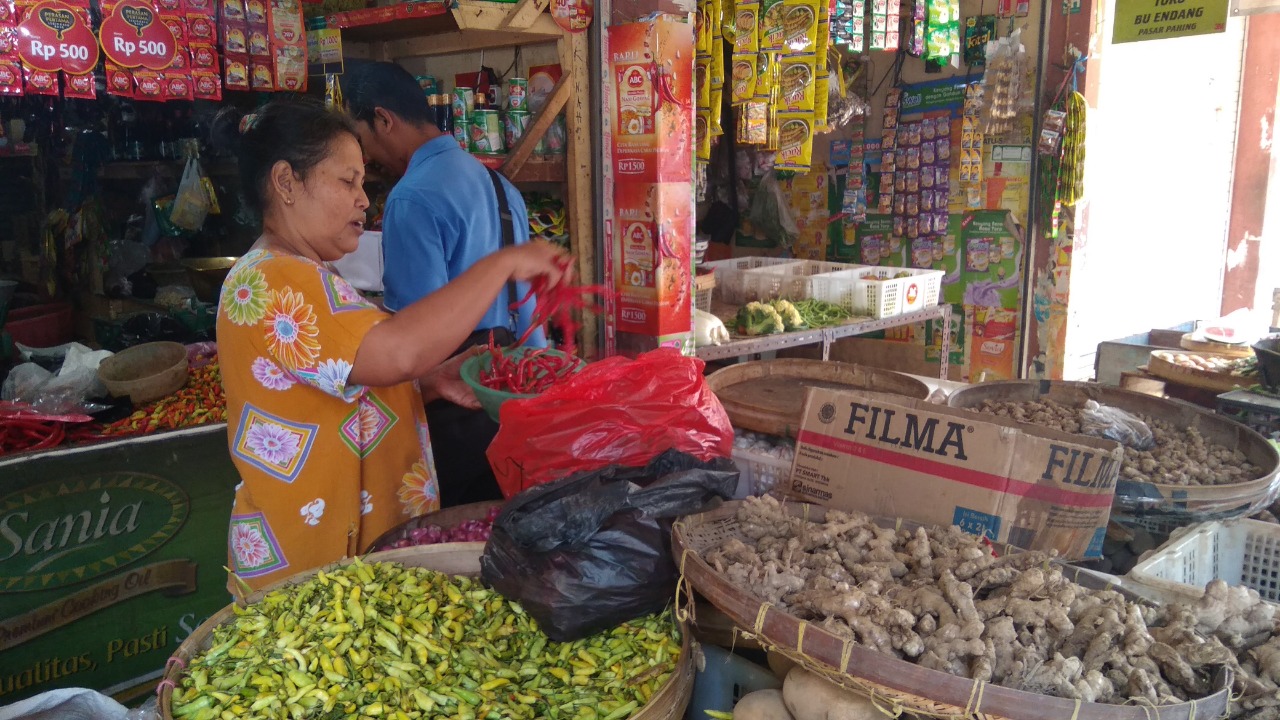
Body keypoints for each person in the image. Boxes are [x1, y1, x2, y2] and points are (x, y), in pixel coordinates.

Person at [213, 99, 569, 592]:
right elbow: (397, 351)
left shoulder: (306, 274)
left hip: (341, 563)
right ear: (286, 182)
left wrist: (430, 381)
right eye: (347, 181)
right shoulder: (274, 280)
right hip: (310, 571)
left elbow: (342, 393)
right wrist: (502, 265)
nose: (364, 199)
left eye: (363, 182)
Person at [344, 61, 541, 507]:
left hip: (450, 397)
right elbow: (529, 305)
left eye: (363, 139)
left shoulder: (410, 197)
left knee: (448, 532)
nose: (367, 156)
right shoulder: (498, 185)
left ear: (384, 120)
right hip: (509, 389)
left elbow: (415, 338)